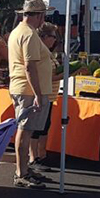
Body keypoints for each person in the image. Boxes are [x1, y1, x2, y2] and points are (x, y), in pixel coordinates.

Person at [8, 0, 53, 189]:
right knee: (25, 131)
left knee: (26, 129)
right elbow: (29, 65)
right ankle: (21, 172)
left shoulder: (19, 31)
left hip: (23, 87)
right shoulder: (29, 35)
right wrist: (38, 93)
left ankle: (23, 167)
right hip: (29, 90)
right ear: (40, 16)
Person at [30, 22, 62, 175]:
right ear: (44, 37)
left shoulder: (48, 53)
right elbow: (48, 76)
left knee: (44, 126)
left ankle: (41, 154)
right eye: (53, 37)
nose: (55, 40)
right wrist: (67, 74)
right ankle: (33, 158)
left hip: (49, 95)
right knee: (36, 128)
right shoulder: (41, 53)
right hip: (43, 93)